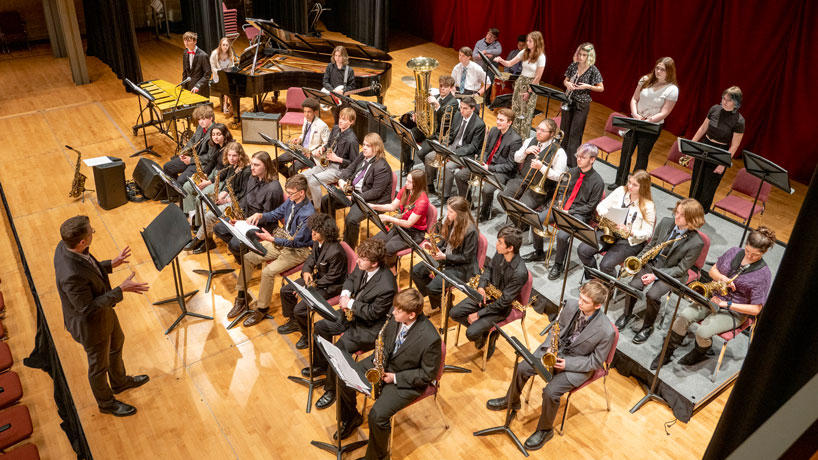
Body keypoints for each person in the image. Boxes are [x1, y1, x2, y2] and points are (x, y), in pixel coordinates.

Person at [486, 280, 615, 451]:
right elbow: (557, 326)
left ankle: (545, 430)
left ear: (597, 306)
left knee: (550, 392)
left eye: (585, 301)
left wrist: (567, 363)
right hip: (556, 351)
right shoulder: (570, 305)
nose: (579, 302)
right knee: (523, 367)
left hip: (579, 364)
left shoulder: (607, 331)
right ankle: (512, 400)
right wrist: (549, 347)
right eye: (580, 297)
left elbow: (596, 362)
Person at [54, 216, 150, 417]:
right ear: (82, 241)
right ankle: (106, 404)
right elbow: (87, 308)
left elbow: (90, 268)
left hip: (104, 313)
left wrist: (111, 264)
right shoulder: (71, 274)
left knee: (117, 343)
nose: (93, 233)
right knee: (99, 366)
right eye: (91, 232)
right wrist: (120, 289)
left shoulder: (64, 247)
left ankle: (119, 382)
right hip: (90, 325)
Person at [335, 288, 441, 460]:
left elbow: (426, 375)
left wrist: (394, 378)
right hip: (383, 365)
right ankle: (352, 417)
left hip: (405, 380)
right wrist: (380, 361)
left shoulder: (430, 338)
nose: (393, 312)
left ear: (412, 315)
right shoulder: (396, 318)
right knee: (344, 378)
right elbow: (385, 342)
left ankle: (378, 457)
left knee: (376, 416)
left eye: (398, 311)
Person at [651, 226, 774, 370]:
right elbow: (712, 271)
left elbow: (756, 309)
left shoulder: (763, 274)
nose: (749, 256)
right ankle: (667, 350)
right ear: (745, 244)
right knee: (683, 315)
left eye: (755, 255)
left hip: (733, 311)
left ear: (763, 253)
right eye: (747, 251)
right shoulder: (734, 252)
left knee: (703, 332)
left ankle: (700, 352)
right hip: (714, 297)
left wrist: (726, 304)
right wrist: (723, 278)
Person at [309, 238, 397, 410]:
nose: (357, 261)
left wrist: (349, 304)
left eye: (362, 259)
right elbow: (351, 279)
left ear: (374, 263)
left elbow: (372, 313)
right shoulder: (363, 263)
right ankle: (321, 366)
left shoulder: (387, 285)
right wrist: (345, 293)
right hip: (350, 314)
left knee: (339, 349)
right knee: (320, 327)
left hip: (367, 327)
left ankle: (332, 389)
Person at [617, 198, 706, 344]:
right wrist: (638, 261)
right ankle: (626, 314)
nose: (676, 216)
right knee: (633, 286)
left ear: (692, 220)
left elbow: (681, 269)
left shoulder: (696, 243)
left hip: (671, 272)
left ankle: (647, 326)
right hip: (652, 262)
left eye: (682, 215)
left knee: (653, 295)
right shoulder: (665, 222)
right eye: (677, 212)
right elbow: (651, 245)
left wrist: (655, 276)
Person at [232, 174, 315, 327]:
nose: (288, 196)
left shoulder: (308, 214)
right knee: (248, 257)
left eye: (290, 193)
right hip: (282, 241)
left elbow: (297, 242)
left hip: (298, 250)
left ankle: (262, 308)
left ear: (301, 193)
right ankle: (242, 297)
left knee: (267, 272)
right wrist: (260, 215)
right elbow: (276, 213)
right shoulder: (292, 201)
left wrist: (272, 239)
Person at [525, 144, 604, 283]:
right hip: (562, 208)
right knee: (535, 219)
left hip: (579, 214)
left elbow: (590, 206)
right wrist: (560, 204)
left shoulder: (598, 182)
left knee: (562, 236)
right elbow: (561, 190)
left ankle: (558, 264)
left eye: (582, 157)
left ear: (592, 159)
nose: (578, 160)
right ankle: (538, 252)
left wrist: (569, 211)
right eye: (577, 156)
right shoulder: (571, 172)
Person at [449, 226, 528, 358]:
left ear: (510, 248)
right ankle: (484, 332)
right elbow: (488, 270)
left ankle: (488, 336)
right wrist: (481, 287)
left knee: (470, 333)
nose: (496, 244)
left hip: (500, 308)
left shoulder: (520, 273)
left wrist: (479, 314)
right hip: (487, 295)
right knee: (454, 313)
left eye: (500, 242)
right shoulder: (500, 253)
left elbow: (504, 302)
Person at [278, 213, 348, 349]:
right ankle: (294, 322)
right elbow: (311, 258)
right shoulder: (317, 242)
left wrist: (307, 287)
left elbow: (333, 277)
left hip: (330, 286)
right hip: (316, 279)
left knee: (300, 310)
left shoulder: (336, 252)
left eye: (316, 231)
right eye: (312, 230)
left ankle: (307, 336)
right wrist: (306, 271)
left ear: (326, 233)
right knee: (286, 290)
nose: (312, 233)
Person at [610, 57, 679, 190]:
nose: (658, 71)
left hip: (651, 126)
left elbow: (665, 112)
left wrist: (648, 121)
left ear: (669, 71)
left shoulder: (672, 90)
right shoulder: (645, 80)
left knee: (642, 156)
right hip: (635, 121)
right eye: (657, 68)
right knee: (626, 152)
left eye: (662, 70)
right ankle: (619, 182)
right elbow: (635, 99)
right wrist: (635, 114)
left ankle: (634, 186)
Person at [577, 170, 656, 277]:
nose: (630, 186)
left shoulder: (648, 206)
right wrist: (607, 215)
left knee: (606, 265)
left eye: (635, 185)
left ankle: (608, 287)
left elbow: (648, 233)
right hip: (609, 231)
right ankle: (594, 278)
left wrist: (630, 231)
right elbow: (601, 206)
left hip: (629, 242)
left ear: (643, 187)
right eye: (629, 182)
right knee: (583, 250)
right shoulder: (620, 191)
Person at [320, 133, 392, 249]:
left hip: (371, 200)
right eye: (363, 144)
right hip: (353, 191)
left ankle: (348, 249)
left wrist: (353, 198)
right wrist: (341, 180)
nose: (363, 147)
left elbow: (376, 192)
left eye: (367, 146)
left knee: (351, 219)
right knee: (326, 201)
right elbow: (350, 168)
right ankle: (331, 235)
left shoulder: (382, 167)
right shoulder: (362, 155)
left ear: (376, 148)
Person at [213, 151, 284, 261]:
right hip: (246, 218)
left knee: (235, 245)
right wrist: (237, 214)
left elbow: (268, 217)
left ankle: (247, 258)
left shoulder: (273, 189)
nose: (252, 168)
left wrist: (243, 222)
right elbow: (246, 198)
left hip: (262, 225)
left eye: (256, 165)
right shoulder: (252, 178)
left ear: (266, 166)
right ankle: (245, 253)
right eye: (251, 164)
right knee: (219, 228)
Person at [411, 196, 480, 310]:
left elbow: (466, 257)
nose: (447, 214)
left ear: (460, 213)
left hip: (461, 267)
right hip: (447, 257)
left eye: (451, 211)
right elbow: (445, 241)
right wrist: (433, 247)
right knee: (416, 271)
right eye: (448, 210)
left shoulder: (471, 231)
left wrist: (444, 256)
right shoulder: (452, 221)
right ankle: (438, 297)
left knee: (433, 288)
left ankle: (445, 306)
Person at [454, 108, 522, 220]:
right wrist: (482, 161)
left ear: (509, 122)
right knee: (460, 176)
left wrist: (489, 167)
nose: (498, 122)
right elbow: (485, 149)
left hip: (501, 171)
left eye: (501, 120)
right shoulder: (494, 130)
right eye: (497, 119)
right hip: (485, 164)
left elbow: (510, 165)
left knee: (487, 190)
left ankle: (484, 213)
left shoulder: (515, 139)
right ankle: (468, 203)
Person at [184, 141, 251, 254]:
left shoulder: (246, 171)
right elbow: (228, 184)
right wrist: (221, 195)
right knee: (204, 204)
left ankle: (198, 239)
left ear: (240, 155)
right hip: (230, 197)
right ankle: (208, 239)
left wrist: (225, 200)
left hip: (238, 202)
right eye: (229, 155)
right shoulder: (232, 166)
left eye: (234, 155)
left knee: (210, 215)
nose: (231, 158)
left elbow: (243, 194)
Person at [688, 86, 746, 212]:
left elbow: (735, 145)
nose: (724, 102)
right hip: (705, 145)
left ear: (736, 103)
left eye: (729, 100)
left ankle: (699, 214)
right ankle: (688, 210)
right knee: (696, 180)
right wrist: (692, 147)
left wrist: (723, 163)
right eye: (723, 98)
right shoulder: (714, 109)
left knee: (708, 186)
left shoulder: (739, 121)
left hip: (720, 152)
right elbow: (702, 129)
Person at [501, 118, 567, 216]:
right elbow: (517, 159)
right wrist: (525, 152)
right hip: (522, 179)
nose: (538, 132)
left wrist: (541, 167)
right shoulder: (530, 141)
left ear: (552, 134)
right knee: (502, 196)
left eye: (543, 131)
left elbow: (559, 177)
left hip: (539, 189)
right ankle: (515, 218)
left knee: (520, 208)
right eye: (538, 129)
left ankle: (520, 223)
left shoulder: (559, 152)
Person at [424, 97, 486, 200]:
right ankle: (429, 186)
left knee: (448, 167)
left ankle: (444, 195)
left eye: (465, 108)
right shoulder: (457, 115)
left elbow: (473, 146)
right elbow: (451, 133)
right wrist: (444, 144)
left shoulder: (479, 124)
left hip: (465, 153)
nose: (461, 110)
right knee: (429, 157)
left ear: (472, 109)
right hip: (452, 146)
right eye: (461, 107)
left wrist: (453, 153)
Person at [371, 169, 430, 268]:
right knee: (375, 242)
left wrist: (388, 218)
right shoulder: (406, 190)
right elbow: (392, 207)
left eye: (410, 182)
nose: (406, 183)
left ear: (418, 184)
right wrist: (374, 206)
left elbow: (408, 223)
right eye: (407, 180)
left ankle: (392, 273)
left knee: (387, 249)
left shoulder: (422, 201)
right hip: (400, 226)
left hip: (413, 233)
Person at [402, 75, 459, 177]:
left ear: (450, 88)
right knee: (406, 136)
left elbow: (445, 120)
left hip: (438, 134)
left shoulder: (453, 103)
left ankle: (431, 174)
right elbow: (428, 114)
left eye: (445, 86)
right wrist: (418, 116)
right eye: (440, 85)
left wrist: (437, 105)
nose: (442, 88)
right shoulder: (436, 97)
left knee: (421, 153)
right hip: (427, 129)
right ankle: (407, 164)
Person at [494, 31, 545, 138]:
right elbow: (509, 63)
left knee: (526, 113)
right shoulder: (524, 52)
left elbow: (538, 77)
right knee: (516, 110)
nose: (527, 43)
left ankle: (523, 138)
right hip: (521, 81)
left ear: (536, 42)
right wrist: (501, 60)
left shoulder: (541, 57)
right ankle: (513, 136)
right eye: (527, 40)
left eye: (530, 41)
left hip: (531, 84)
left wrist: (529, 92)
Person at [305, 107, 359, 210]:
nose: (340, 121)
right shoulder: (335, 128)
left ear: (351, 122)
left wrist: (337, 159)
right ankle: (311, 201)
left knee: (312, 181)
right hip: (327, 164)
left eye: (344, 119)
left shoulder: (352, 140)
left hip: (338, 169)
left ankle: (318, 209)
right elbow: (329, 144)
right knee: (304, 177)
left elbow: (354, 164)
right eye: (340, 118)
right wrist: (323, 148)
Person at [560, 43, 604, 165]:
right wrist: (567, 84)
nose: (581, 57)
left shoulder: (593, 70)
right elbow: (565, 80)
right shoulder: (573, 66)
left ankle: (571, 162)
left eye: (584, 55)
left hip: (582, 104)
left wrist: (588, 86)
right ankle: (560, 157)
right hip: (569, 100)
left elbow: (601, 88)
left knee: (575, 132)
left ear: (590, 56)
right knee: (564, 129)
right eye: (580, 54)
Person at [164, 122, 233, 189]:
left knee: (185, 184)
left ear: (225, 135)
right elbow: (212, 161)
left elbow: (224, 171)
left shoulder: (228, 149)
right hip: (205, 166)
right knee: (168, 167)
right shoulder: (218, 145)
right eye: (213, 135)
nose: (215, 137)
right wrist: (205, 173)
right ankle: (176, 194)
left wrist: (208, 181)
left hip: (219, 176)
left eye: (218, 134)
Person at [277, 98, 331, 178]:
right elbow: (305, 135)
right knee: (275, 162)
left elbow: (328, 144)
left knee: (292, 170)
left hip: (311, 155)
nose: (306, 114)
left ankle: (296, 182)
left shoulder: (322, 126)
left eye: (309, 112)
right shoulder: (306, 120)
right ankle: (294, 180)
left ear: (315, 112)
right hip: (300, 149)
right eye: (305, 111)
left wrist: (312, 152)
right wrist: (299, 139)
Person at [162, 105, 215, 187]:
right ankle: (174, 194)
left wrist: (191, 160)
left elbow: (209, 157)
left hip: (202, 164)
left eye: (204, 119)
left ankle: (181, 195)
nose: (201, 122)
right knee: (167, 167)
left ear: (211, 118)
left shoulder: (215, 133)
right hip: (192, 157)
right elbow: (193, 140)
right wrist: (184, 151)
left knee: (180, 180)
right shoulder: (201, 127)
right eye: (199, 119)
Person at [322, 45, 356, 122]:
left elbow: (352, 86)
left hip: (344, 100)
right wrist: (333, 90)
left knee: (344, 120)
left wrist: (343, 91)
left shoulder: (349, 70)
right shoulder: (330, 67)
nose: (337, 58)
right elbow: (325, 82)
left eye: (339, 56)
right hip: (333, 98)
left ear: (344, 57)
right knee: (336, 120)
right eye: (335, 55)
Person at [209, 37, 235, 115]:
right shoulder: (214, 54)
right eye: (223, 45)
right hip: (217, 76)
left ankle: (226, 105)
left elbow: (232, 65)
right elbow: (213, 68)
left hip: (227, 75)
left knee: (229, 84)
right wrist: (221, 73)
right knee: (227, 85)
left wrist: (227, 73)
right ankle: (230, 105)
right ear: (220, 45)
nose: (225, 47)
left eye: (227, 45)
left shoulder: (230, 53)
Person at [182, 31, 211, 97]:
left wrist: (197, 86)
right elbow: (185, 72)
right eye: (185, 40)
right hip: (189, 88)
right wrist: (183, 87)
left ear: (195, 41)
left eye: (189, 41)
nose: (186, 43)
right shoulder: (185, 53)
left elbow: (207, 74)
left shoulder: (203, 55)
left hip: (200, 90)